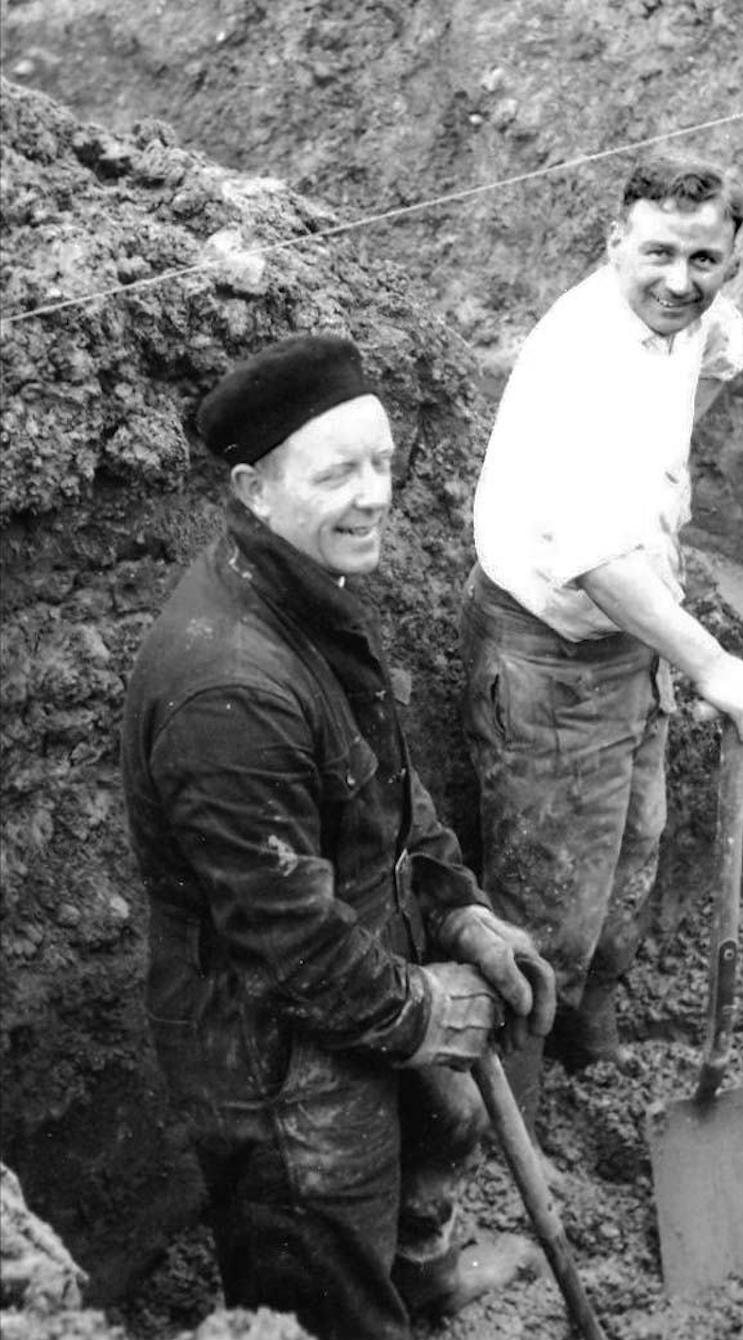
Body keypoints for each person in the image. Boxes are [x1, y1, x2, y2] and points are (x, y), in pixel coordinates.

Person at [121, 334, 557, 1340]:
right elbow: (283, 942)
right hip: (269, 1044)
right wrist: (416, 1009)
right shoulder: (229, 687)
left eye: (381, 463)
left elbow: (390, 789)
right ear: (254, 487)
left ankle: (417, 1280)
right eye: (336, 474)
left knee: (437, 1121)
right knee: (321, 1224)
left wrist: (460, 909)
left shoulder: (314, 594)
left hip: (354, 961)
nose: (373, 495)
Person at [461, 156, 743, 1130]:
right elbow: (595, 555)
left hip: (627, 647)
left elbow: (722, 348)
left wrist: (657, 482)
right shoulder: (580, 361)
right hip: (549, 659)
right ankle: (504, 1117)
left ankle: (588, 1033)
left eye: (704, 257)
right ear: (613, 244)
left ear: (728, 256)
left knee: (638, 846)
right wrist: (710, 660)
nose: (679, 280)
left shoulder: (697, 322)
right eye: (656, 253)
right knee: (545, 904)